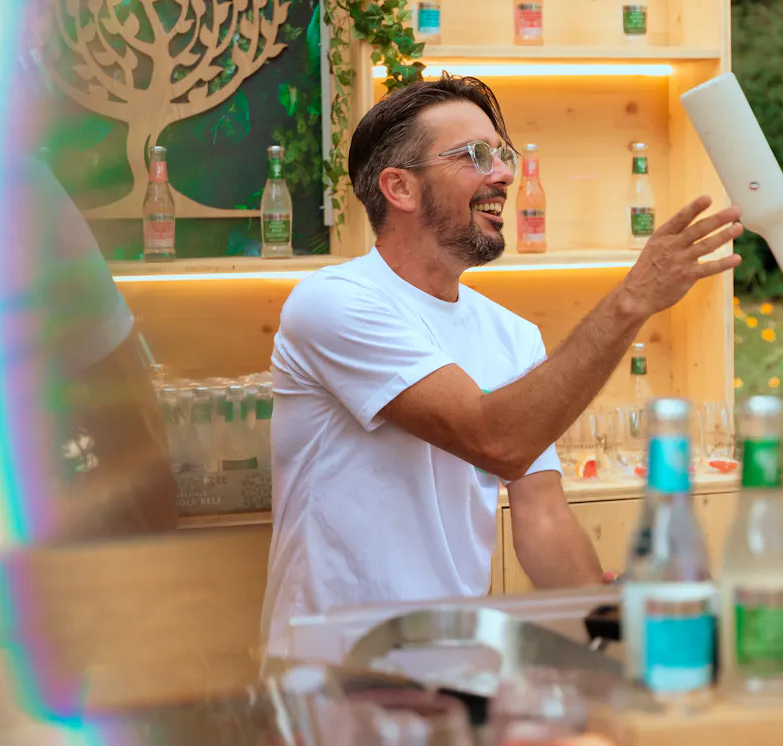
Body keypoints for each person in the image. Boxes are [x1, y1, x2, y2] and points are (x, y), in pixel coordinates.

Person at [261, 74, 741, 647]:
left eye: (502, 154)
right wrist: (631, 301)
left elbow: (542, 515)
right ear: (400, 188)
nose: (505, 174)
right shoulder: (334, 302)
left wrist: (605, 618)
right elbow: (493, 439)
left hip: (454, 656)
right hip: (336, 664)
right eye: (475, 155)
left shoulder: (512, 335)